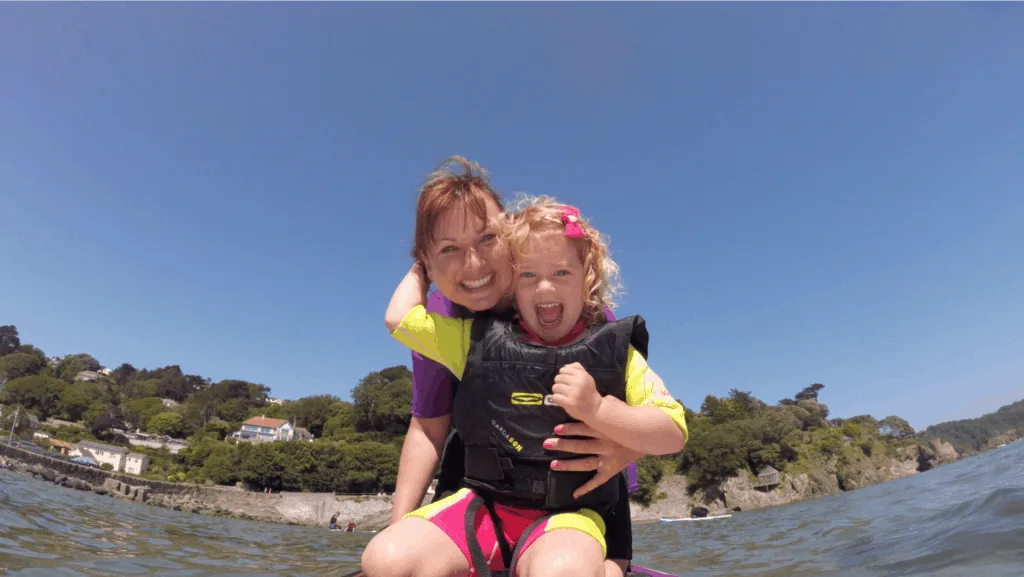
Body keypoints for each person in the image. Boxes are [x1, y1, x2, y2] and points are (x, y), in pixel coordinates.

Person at [363, 195, 688, 577]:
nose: (545, 287)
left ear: (588, 280)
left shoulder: (615, 352)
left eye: (562, 273)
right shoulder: (473, 340)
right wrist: (426, 263)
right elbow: (399, 318)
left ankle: (606, 564)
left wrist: (601, 410)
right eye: (528, 276)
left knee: (563, 571)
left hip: (569, 516)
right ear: (510, 288)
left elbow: (673, 434)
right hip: (483, 505)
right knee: (386, 559)